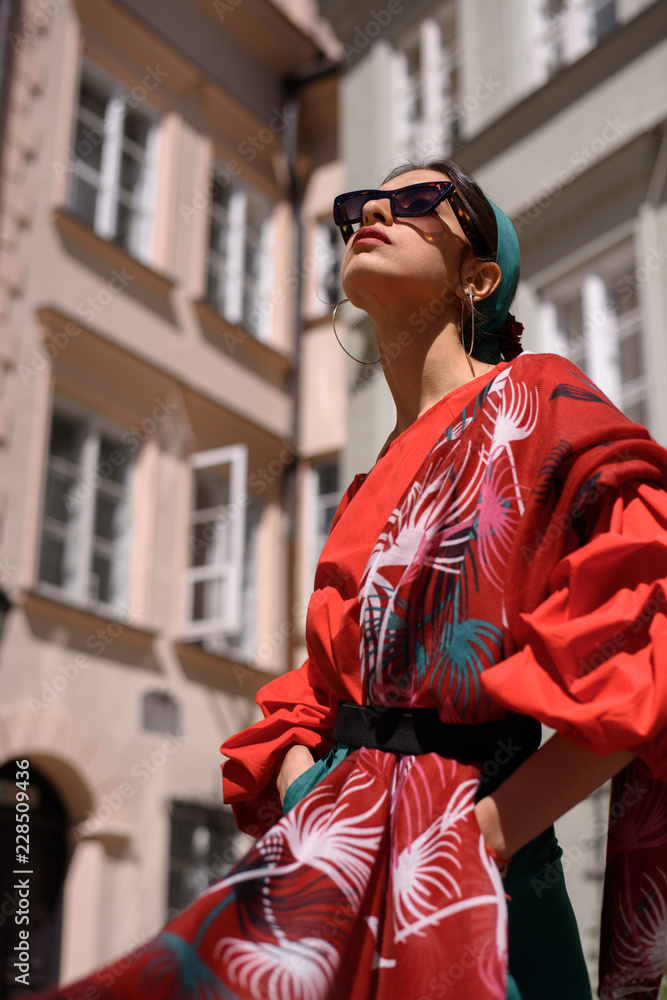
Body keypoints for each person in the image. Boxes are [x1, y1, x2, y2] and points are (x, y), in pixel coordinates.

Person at [30, 160, 667, 1000]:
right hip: (335, 847)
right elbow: (324, 685)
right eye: (357, 205)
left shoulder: (537, 396)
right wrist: (305, 784)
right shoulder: (370, 478)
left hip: (474, 864)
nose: (372, 209)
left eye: (414, 202)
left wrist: (487, 836)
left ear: (479, 275)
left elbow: (645, 624)